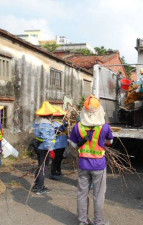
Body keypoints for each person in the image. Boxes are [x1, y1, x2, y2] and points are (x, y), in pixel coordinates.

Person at [69, 95, 112, 225]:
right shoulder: (105, 127)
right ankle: (99, 222)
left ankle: (82, 221)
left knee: (82, 193)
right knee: (98, 195)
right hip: (99, 165)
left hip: (83, 165)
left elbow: (73, 144)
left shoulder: (78, 127)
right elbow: (109, 141)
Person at [33, 101, 57, 195]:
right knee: (43, 167)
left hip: (39, 146)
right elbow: (46, 136)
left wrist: (55, 126)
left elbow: (47, 129)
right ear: (48, 114)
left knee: (40, 165)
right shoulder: (45, 123)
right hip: (44, 148)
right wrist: (50, 150)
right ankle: (39, 187)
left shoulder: (38, 121)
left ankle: (37, 183)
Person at [50, 105, 68, 180]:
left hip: (62, 144)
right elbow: (54, 132)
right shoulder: (54, 124)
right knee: (56, 159)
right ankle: (53, 173)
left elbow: (65, 133)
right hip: (56, 145)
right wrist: (59, 129)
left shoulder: (62, 123)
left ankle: (58, 170)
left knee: (60, 158)